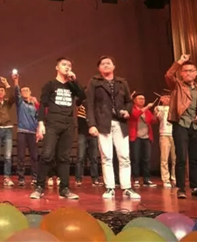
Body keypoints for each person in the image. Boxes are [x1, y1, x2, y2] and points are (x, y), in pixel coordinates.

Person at [30, 57, 85, 200]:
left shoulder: (72, 86)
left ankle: (64, 189)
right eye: (64, 64)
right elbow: (43, 105)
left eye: (69, 65)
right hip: (52, 123)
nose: (67, 67)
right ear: (57, 67)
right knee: (47, 155)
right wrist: (40, 123)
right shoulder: (50, 85)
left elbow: (82, 96)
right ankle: (39, 187)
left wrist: (75, 81)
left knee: (64, 157)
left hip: (68, 123)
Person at [86, 56, 140, 200]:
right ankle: (110, 188)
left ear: (114, 66)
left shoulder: (121, 82)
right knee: (107, 157)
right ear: (99, 68)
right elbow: (89, 103)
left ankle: (126, 187)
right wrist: (91, 124)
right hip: (103, 123)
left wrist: (127, 111)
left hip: (120, 123)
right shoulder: (94, 82)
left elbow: (129, 101)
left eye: (108, 63)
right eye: (102, 64)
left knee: (124, 157)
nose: (106, 65)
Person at [165, 54, 197, 200]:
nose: (188, 73)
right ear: (181, 73)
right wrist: (180, 62)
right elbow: (169, 75)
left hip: (195, 126)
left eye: (191, 70)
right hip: (181, 124)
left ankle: (196, 188)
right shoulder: (177, 86)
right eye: (185, 71)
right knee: (181, 158)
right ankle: (181, 188)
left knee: (196, 159)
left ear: (196, 73)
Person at [12, 73, 39, 187]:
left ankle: (35, 177)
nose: (25, 92)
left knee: (34, 156)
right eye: (23, 91)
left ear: (30, 92)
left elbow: (40, 117)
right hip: (22, 132)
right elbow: (16, 93)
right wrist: (16, 81)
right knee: (21, 156)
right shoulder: (20, 103)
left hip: (32, 132)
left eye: (27, 90)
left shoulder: (34, 105)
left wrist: (38, 131)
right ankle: (21, 178)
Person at [128, 93, 157, 188]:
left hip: (146, 137)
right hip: (135, 136)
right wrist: (147, 107)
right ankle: (136, 178)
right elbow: (135, 115)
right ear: (134, 100)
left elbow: (152, 121)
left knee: (146, 159)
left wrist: (155, 115)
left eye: (143, 99)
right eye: (140, 98)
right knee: (135, 158)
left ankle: (146, 179)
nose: (142, 100)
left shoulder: (147, 112)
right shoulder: (132, 109)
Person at [155, 93, 176, 188]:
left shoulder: (175, 107)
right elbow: (158, 117)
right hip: (164, 134)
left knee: (175, 158)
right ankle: (166, 179)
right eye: (166, 98)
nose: (168, 99)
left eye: (169, 98)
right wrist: (160, 105)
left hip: (174, 134)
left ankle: (174, 177)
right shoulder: (159, 108)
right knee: (164, 158)